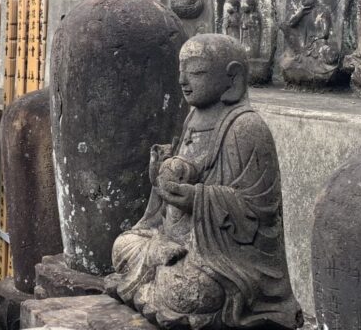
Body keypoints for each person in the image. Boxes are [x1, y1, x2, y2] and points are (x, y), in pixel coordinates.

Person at [108, 35, 302, 330]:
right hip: (176, 239)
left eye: (196, 72)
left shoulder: (245, 127)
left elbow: (258, 210)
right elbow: (169, 198)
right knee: (123, 246)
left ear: (232, 78)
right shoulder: (193, 118)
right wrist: (159, 181)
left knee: (194, 291)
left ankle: (156, 283)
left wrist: (197, 199)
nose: (184, 81)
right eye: (181, 72)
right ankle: (158, 266)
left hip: (223, 257)